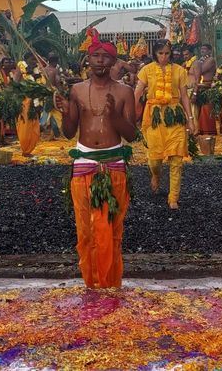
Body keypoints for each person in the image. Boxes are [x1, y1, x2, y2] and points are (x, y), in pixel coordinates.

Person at [54, 34, 136, 288]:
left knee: (112, 230)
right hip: (84, 163)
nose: (100, 61)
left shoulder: (125, 91)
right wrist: (65, 112)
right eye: (95, 56)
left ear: (113, 61)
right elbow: (69, 132)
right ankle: (91, 283)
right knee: (86, 231)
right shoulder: (77, 90)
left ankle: (110, 284)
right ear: (87, 59)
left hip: (113, 163)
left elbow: (131, 134)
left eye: (105, 57)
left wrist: (114, 117)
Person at [135, 40, 196, 209]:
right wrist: (129, 114)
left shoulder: (179, 71)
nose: (164, 57)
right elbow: (137, 93)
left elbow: (184, 96)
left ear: (171, 54)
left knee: (176, 159)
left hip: (175, 116)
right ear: (155, 54)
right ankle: (156, 175)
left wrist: (191, 120)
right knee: (155, 159)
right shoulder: (146, 70)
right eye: (160, 53)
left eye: (167, 53)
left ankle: (173, 197)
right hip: (154, 116)